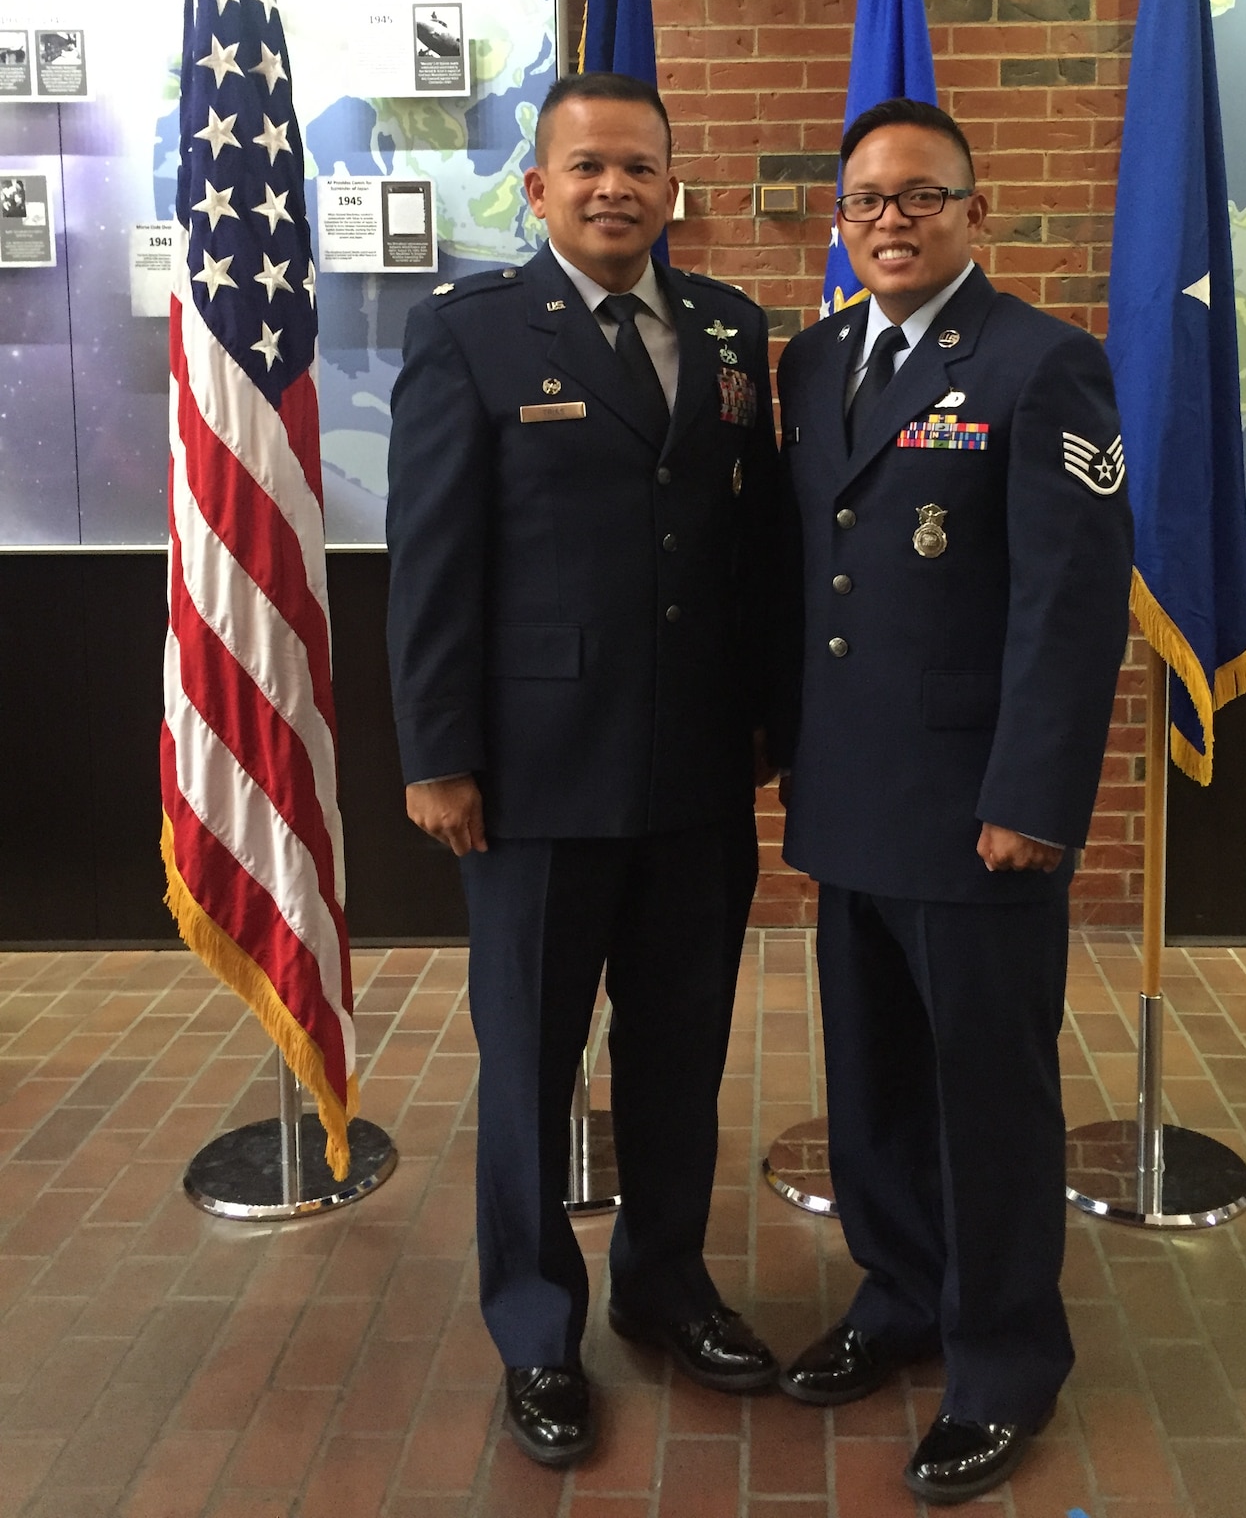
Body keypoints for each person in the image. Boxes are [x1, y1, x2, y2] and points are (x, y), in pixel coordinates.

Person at [385, 71, 780, 1468]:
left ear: (674, 187)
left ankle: (665, 1285)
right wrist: (438, 755)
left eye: (642, 168)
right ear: (539, 187)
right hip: (534, 784)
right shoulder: (474, 336)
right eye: (588, 166)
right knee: (530, 1070)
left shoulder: (733, 329)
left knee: (678, 1057)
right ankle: (537, 1331)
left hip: (692, 783)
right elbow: (433, 564)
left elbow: (753, 554)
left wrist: (772, 733)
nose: (616, 188)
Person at [774, 97, 1133, 1506]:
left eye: (924, 197)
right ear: (842, 219)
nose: (893, 220)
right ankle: (901, 1294)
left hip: (980, 807)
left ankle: (1002, 1362)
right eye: (867, 199)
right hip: (853, 795)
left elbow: (1071, 601)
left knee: (988, 1094)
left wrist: (1034, 796)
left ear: (978, 213)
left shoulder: (1045, 365)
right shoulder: (812, 364)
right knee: (869, 1082)